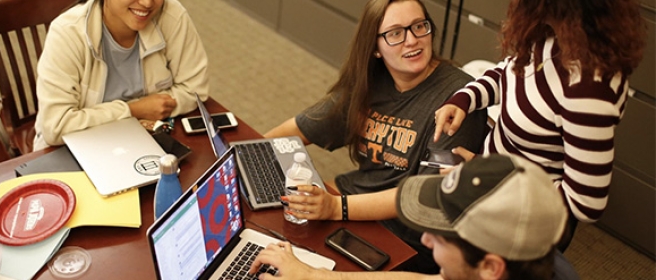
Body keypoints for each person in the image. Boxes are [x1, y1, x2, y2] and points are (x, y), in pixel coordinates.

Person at [264, 0, 487, 273]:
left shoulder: (459, 99)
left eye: (419, 26)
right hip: (350, 204)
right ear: (375, 48)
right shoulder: (373, 80)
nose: (412, 40)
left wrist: (335, 207)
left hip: (406, 239)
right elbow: (298, 129)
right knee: (265, 236)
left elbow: (424, 196)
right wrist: (249, 150)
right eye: (395, 33)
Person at [432, 0, 646, 251]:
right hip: (491, 185)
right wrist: (465, 99)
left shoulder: (588, 90)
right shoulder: (551, 36)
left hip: (520, 221)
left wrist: (493, 178)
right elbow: (508, 74)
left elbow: (585, 204)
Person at [249, 154, 580, 280]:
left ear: (491, 267)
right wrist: (313, 276)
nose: (424, 239)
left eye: (439, 235)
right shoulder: (509, 266)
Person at [33, 0, 209, 151]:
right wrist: (135, 110)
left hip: (143, 140)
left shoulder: (172, 15)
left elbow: (194, 89)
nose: (147, 3)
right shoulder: (67, 33)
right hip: (73, 148)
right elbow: (56, 126)